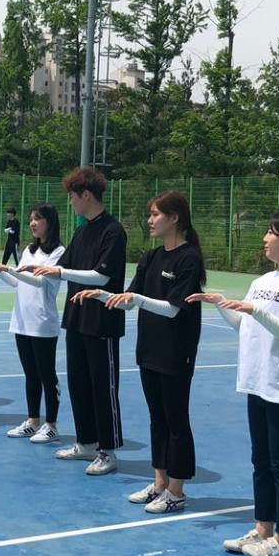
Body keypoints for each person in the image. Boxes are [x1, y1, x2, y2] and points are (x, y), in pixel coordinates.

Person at [187, 209, 279, 556]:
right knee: (261, 462)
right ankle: (263, 529)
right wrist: (221, 303)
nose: (265, 238)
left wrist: (255, 310)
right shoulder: (263, 280)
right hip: (260, 383)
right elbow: (244, 325)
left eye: (271, 232)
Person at [75, 191, 206, 511]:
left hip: (176, 352)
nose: (149, 220)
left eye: (155, 214)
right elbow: (128, 299)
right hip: (148, 350)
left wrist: (136, 300)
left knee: (176, 420)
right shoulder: (151, 257)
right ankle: (159, 483)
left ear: (174, 218)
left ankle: (176, 491)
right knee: (157, 419)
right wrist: (100, 295)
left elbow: (173, 309)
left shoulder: (189, 258)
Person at [29, 167, 127, 476]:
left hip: (102, 322)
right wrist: (19, 271)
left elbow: (102, 277)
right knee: (78, 383)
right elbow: (60, 269)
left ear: (86, 195)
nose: (70, 202)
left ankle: (107, 451)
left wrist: (60, 272)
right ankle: (86, 443)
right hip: (77, 319)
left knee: (103, 387)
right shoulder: (82, 231)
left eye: (72, 196)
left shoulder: (113, 231)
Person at [0, 204, 64, 443]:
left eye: (38, 219)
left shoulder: (58, 252)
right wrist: (0, 272)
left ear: (50, 222)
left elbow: (40, 282)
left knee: (47, 375)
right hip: (21, 321)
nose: (32, 223)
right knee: (30, 374)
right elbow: (19, 282)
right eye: (31, 219)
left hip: (42, 323)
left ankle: (51, 425)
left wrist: (10, 268)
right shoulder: (29, 250)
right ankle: (32, 421)